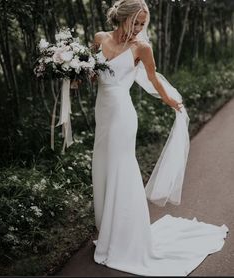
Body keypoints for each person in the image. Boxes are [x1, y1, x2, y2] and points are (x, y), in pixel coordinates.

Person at [91, 0, 228, 276]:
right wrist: (75, 75)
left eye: (144, 24)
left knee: (121, 169)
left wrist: (171, 101)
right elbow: (95, 75)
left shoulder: (142, 48)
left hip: (122, 116)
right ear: (124, 18)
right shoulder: (99, 39)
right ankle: (107, 228)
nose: (140, 28)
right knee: (103, 166)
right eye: (137, 22)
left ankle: (125, 237)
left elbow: (152, 80)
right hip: (102, 114)